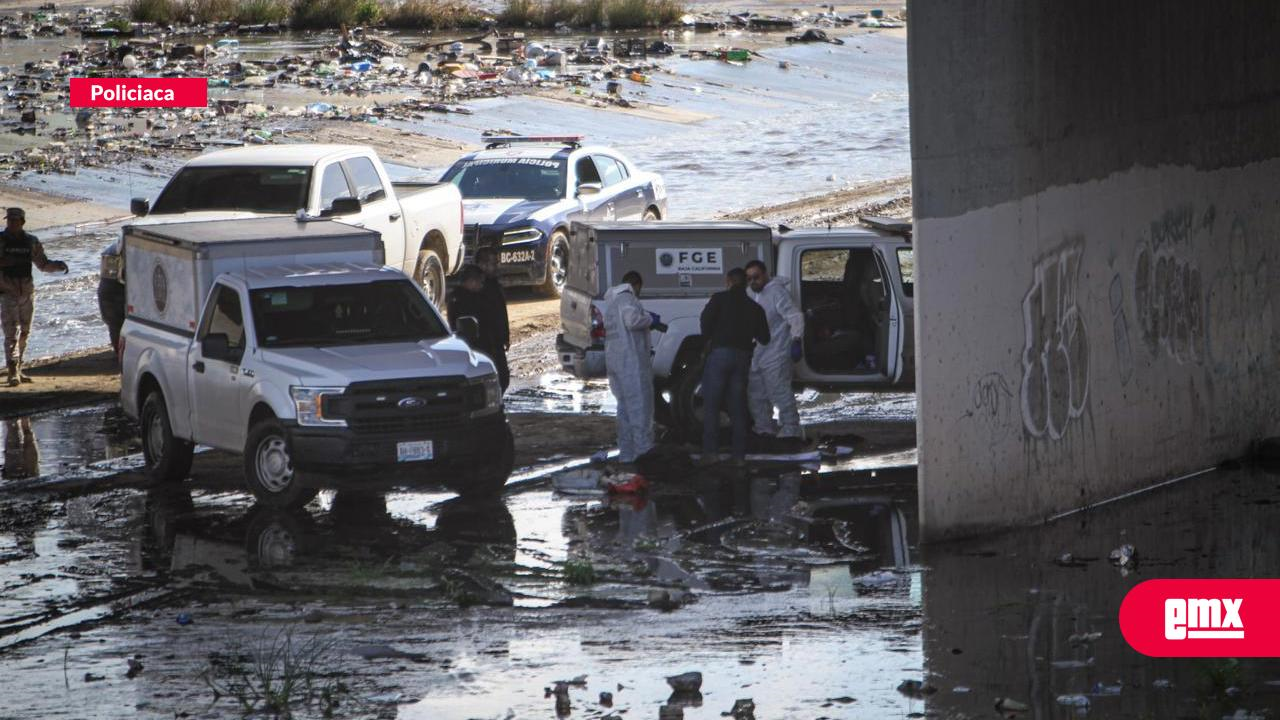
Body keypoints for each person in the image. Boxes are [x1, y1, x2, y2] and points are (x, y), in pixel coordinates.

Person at [698, 267, 770, 466]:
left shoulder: (719, 299)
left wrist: (710, 339)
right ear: (746, 283)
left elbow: (704, 322)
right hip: (743, 358)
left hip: (720, 355)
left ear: (728, 281)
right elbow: (765, 338)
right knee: (738, 407)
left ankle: (710, 454)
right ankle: (739, 457)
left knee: (711, 405)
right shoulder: (755, 307)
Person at [0, 207, 68, 386]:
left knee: (25, 332)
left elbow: (42, 264)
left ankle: (20, 367)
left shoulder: (31, 241)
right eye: (9, 220)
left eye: (15, 220)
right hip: (7, 292)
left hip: (27, 292)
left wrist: (58, 266)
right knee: (10, 333)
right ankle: (12, 371)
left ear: (22, 222)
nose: (12, 223)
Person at [745, 259, 806, 447]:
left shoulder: (776, 293)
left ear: (765, 275)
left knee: (779, 391)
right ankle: (764, 427)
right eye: (749, 278)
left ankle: (791, 427)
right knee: (757, 394)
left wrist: (796, 340)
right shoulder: (751, 293)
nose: (752, 282)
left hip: (776, 351)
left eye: (756, 277)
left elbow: (795, 317)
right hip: (757, 354)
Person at [603, 270, 657, 464]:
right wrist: (650, 319)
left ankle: (626, 455)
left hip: (616, 364)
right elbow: (632, 321)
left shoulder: (611, 303)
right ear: (637, 286)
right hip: (631, 365)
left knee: (624, 410)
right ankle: (644, 455)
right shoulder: (628, 299)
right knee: (640, 410)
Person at [447, 264, 510, 389]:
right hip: (476, 346)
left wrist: (504, 336)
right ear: (471, 281)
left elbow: (498, 316)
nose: (482, 285)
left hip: (492, 343)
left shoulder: (485, 295)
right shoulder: (458, 299)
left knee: (502, 378)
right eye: (480, 282)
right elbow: (455, 324)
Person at [473, 246, 511, 390]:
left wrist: (505, 336)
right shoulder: (476, 288)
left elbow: (501, 312)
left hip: (496, 341)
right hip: (484, 342)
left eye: (496, 263)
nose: (497, 266)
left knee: (503, 378)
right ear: (482, 264)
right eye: (493, 263)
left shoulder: (494, 285)